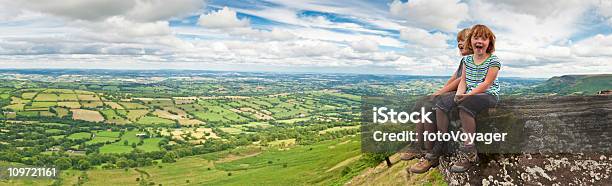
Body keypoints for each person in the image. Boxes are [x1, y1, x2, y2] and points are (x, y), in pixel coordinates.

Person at [404, 28, 474, 174]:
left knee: (430, 106)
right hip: (457, 90)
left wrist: (440, 94)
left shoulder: (474, 60)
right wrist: (439, 92)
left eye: (463, 41)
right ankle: (418, 145)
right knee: (422, 104)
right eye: (458, 42)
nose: (460, 44)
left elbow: (462, 80)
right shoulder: (464, 60)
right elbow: (454, 78)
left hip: (466, 93)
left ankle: (431, 154)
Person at [434, 24, 501, 173]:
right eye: (476, 38)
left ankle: (469, 150)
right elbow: (463, 80)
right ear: (470, 41)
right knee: (442, 103)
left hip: (488, 95)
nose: (480, 41)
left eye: (484, 38)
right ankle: (441, 141)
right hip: (469, 93)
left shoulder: (493, 61)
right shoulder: (467, 61)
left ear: (489, 43)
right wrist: (459, 94)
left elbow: (487, 83)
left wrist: (467, 96)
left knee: (465, 108)